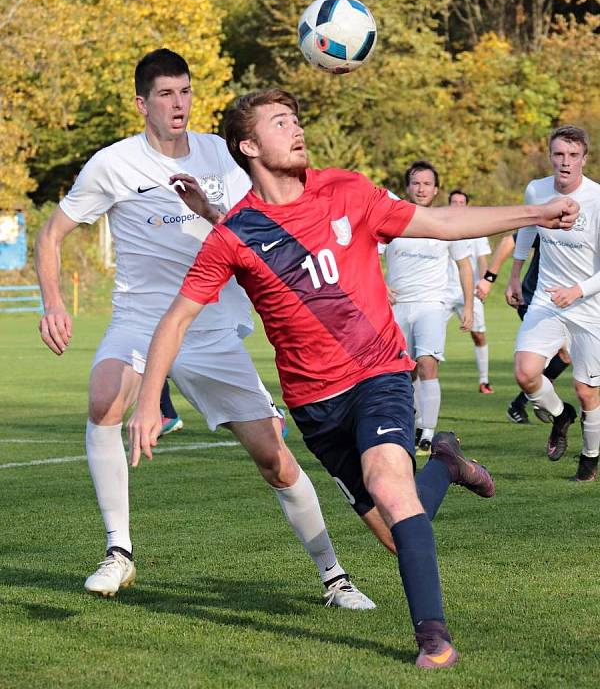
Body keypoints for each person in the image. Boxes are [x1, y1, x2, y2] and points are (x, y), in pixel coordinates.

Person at [127, 88, 577, 668]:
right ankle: (444, 463)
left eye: (296, 119)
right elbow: (175, 319)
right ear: (248, 146)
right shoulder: (233, 234)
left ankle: (434, 640)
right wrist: (146, 402)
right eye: (280, 122)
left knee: (390, 487)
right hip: (316, 407)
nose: (296, 129)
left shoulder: (346, 189)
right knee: (400, 535)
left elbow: (441, 221)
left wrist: (536, 214)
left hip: (380, 373)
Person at [34, 50, 373, 609]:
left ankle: (334, 576)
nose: (179, 104)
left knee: (274, 460)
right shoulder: (113, 164)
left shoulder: (221, 154)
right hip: (140, 322)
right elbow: (51, 235)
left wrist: (210, 211)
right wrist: (53, 302)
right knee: (103, 402)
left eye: (186, 92)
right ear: (143, 103)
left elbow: (257, 230)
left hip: (209, 326)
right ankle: (119, 550)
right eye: (166, 94)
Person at [505, 125, 600, 478]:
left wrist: (578, 291)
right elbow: (528, 229)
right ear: (550, 156)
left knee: (587, 392)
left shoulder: (597, 199)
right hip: (546, 298)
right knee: (525, 373)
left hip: (590, 306)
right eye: (559, 154)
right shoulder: (537, 190)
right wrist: (515, 274)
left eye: (573, 155)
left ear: (584, 159)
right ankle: (561, 416)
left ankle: (590, 457)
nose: (565, 162)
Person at [384, 163, 474, 454]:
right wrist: (380, 287)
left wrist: (469, 306)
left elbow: (464, 266)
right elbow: (368, 256)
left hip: (432, 304)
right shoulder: (393, 219)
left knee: (426, 363)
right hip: (398, 306)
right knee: (403, 371)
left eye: (427, 184)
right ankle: (409, 422)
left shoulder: (446, 222)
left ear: (436, 190)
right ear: (408, 187)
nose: (421, 188)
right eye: (416, 183)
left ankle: (427, 432)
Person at [476, 234, 570, 424]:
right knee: (559, 352)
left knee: (566, 355)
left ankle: (527, 402)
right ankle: (535, 402)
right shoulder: (557, 219)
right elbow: (509, 241)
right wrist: (489, 279)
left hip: (566, 303)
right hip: (534, 299)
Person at [444, 190, 493, 393]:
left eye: (461, 202)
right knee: (427, 339)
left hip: (468, 292)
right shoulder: (440, 226)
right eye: (453, 202)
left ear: (467, 205)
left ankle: (484, 380)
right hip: (442, 292)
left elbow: (482, 259)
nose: (457, 205)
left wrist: (483, 282)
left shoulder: (476, 230)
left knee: (479, 335)